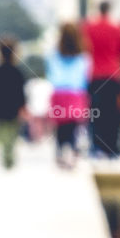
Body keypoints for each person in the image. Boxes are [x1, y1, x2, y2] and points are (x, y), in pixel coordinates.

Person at [82, 0, 120, 157]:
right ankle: (112, 146)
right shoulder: (117, 28)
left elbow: (85, 48)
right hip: (113, 74)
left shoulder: (88, 28)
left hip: (94, 74)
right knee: (113, 112)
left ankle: (97, 145)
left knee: (95, 112)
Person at [46, 22, 90, 168]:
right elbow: (86, 75)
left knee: (60, 127)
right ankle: (72, 152)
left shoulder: (54, 53)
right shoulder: (83, 54)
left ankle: (60, 153)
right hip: (76, 93)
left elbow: (50, 72)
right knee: (73, 126)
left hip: (59, 93)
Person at [0, 40, 27, 169]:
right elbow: (22, 92)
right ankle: (9, 154)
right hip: (14, 107)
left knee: (3, 132)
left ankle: (6, 154)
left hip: (0, 107)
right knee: (13, 132)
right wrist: (23, 106)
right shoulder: (17, 71)